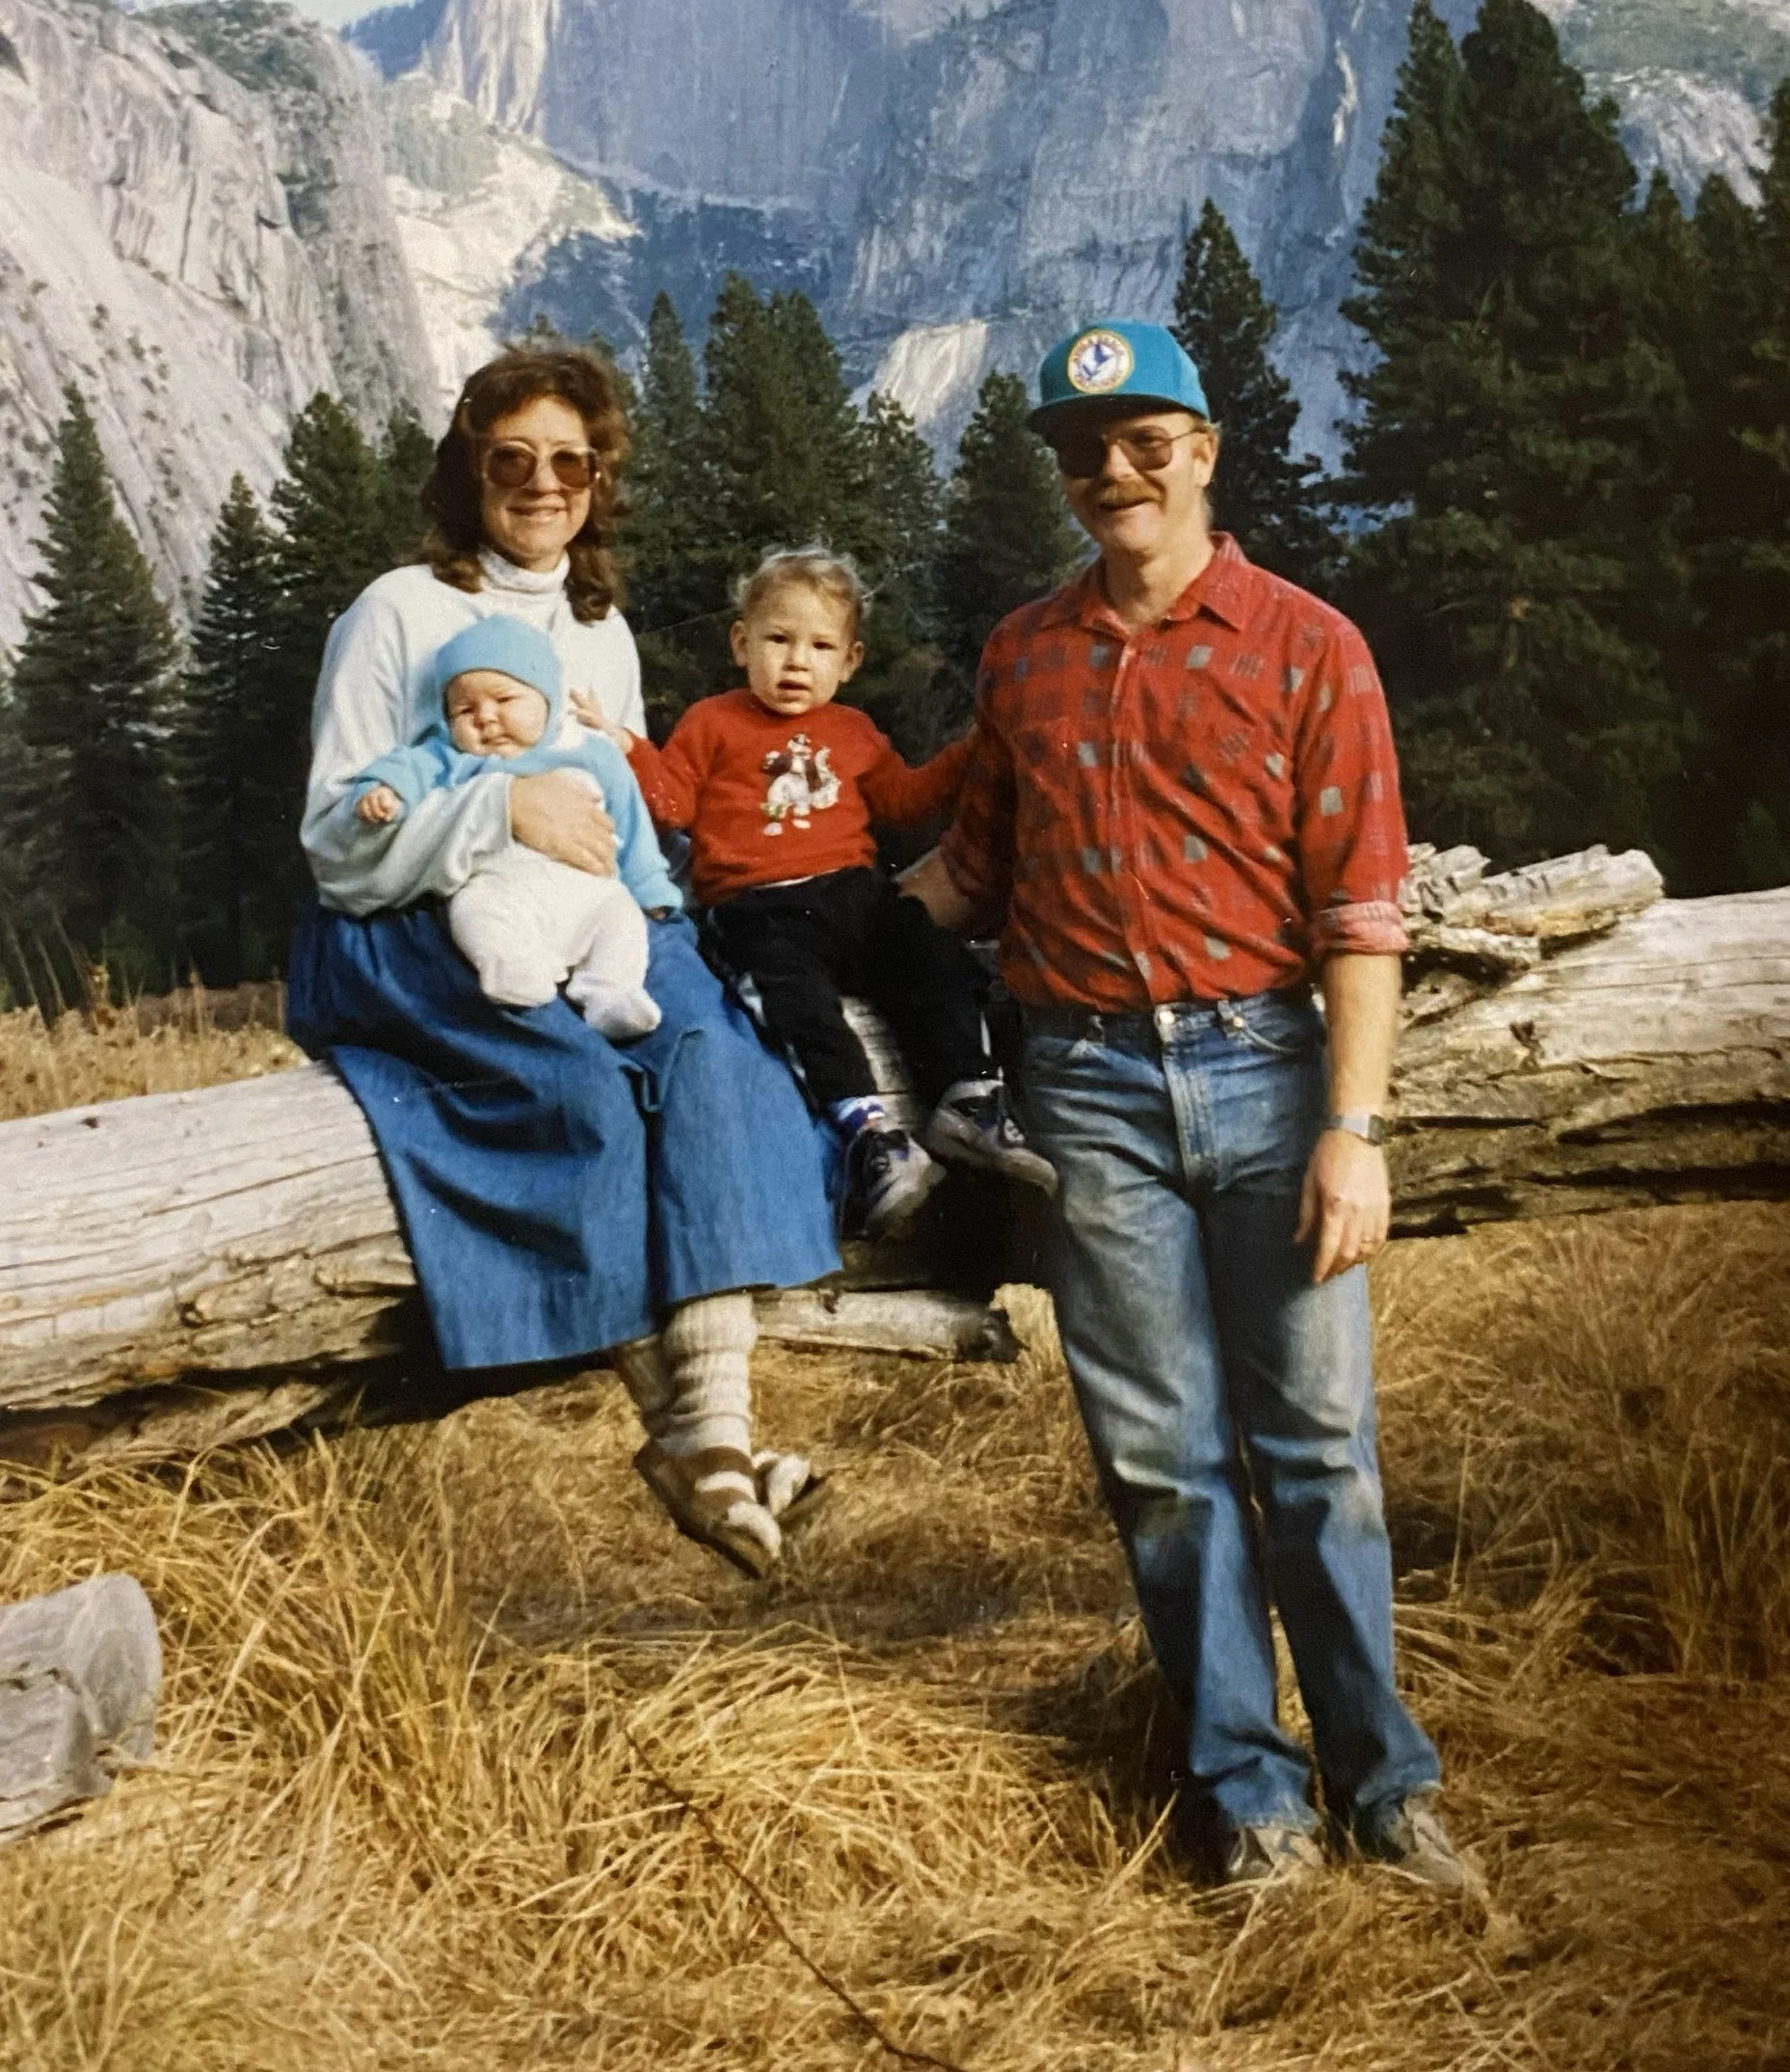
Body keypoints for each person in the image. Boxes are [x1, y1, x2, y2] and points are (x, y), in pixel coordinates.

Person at [904, 317, 1484, 1901]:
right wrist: (755, 915)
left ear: (1202, 451)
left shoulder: (1308, 647)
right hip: (1084, 1087)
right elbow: (969, 874)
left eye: (1143, 439)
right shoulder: (1021, 654)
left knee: (1317, 1453)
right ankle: (1251, 1796)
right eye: (1081, 448)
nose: (1111, 471)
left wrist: (1351, 1130)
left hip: (1266, 1071)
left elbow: (1359, 913)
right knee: (1160, 1461)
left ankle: (1382, 1783)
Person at [288, 344, 841, 1581]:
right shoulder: (394, 610)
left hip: (591, 908)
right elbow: (336, 840)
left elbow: (622, 813)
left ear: (599, 478)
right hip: (413, 923)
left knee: (702, 1046)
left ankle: (723, 1429)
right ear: (467, 470)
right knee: (576, 1089)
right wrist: (500, 813)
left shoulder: (600, 629)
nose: (542, 485)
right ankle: (690, 1441)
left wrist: (663, 911)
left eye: (569, 462)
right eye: (511, 460)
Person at [605, 547, 1055, 1239]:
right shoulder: (712, 722)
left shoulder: (852, 731)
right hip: (760, 905)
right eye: (777, 639)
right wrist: (628, 749)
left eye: (819, 647)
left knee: (928, 951)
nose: (795, 662)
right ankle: (870, 1137)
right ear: (740, 642)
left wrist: (975, 751)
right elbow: (670, 806)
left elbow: (906, 801)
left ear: (849, 662)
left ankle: (967, 1098)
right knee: (799, 1005)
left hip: (854, 894)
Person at [345, 613, 671, 1043]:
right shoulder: (451, 756)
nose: (484, 717)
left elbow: (632, 824)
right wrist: (383, 791)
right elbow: (406, 768)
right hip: (502, 886)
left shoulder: (590, 754)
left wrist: (650, 889)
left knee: (622, 917)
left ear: (546, 698)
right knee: (472, 910)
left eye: (503, 699)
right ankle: (515, 971)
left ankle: (610, 993)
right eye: (464, 709)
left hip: (589, 891)